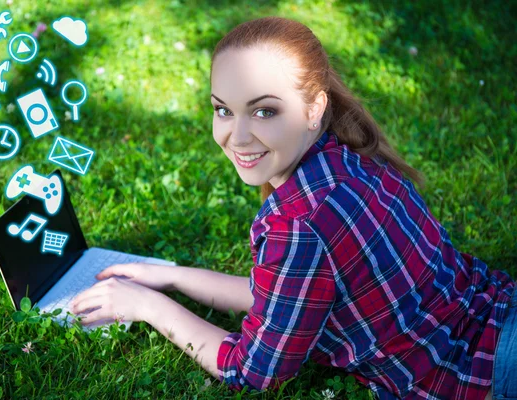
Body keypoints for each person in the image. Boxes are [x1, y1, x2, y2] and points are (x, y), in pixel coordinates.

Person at [68, 16, 515, 399]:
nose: (237, 137)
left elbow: (251, 372)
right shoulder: (350, 155)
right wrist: (171, 275)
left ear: (314, 108)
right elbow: (284, 296)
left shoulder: (298, 226)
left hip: (491, 368)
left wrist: (149, 307)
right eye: (223, 110)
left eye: (264, 112)